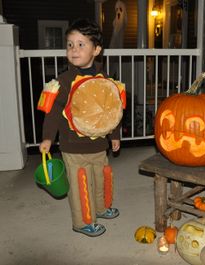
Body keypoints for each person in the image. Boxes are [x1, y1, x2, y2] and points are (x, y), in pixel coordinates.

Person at [39, 18, 120, 237]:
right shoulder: (63, 81)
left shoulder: (105, 79)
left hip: (98, 144)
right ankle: (83, 221)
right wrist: (48, 138)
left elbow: (111, 109)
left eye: (81, 44)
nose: (74, 50)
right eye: (70, 44)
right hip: (73, 147)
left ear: (97, 49)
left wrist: (114, 135)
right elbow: (53, 111)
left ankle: (101, 208)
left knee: (102, 178)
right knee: (80, 184)